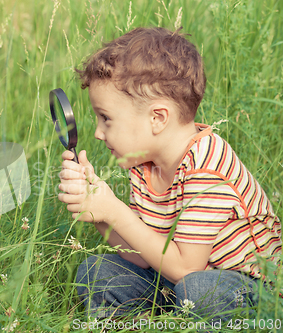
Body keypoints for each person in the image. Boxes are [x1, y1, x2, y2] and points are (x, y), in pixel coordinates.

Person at [57, 26, 281, 322]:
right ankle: (141, 324)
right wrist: (97, 210)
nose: (98, 133)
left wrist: (115, 212)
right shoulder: (144, 164)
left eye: (106, 118)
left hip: (251, 291)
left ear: (157, 118)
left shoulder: (207, 164)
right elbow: (141, 256)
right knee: (98, 270)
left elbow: (186, 269)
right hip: (179, 283)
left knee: (198, 290)